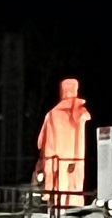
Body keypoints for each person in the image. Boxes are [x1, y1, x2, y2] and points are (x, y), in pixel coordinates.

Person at [35, 78, 91, 209]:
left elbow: (41, 141)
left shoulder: (52, 114)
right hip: (72, 158)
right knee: (72, 189)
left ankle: (60, 209)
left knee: (61, 189)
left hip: (56, 159)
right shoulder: (78, 112)